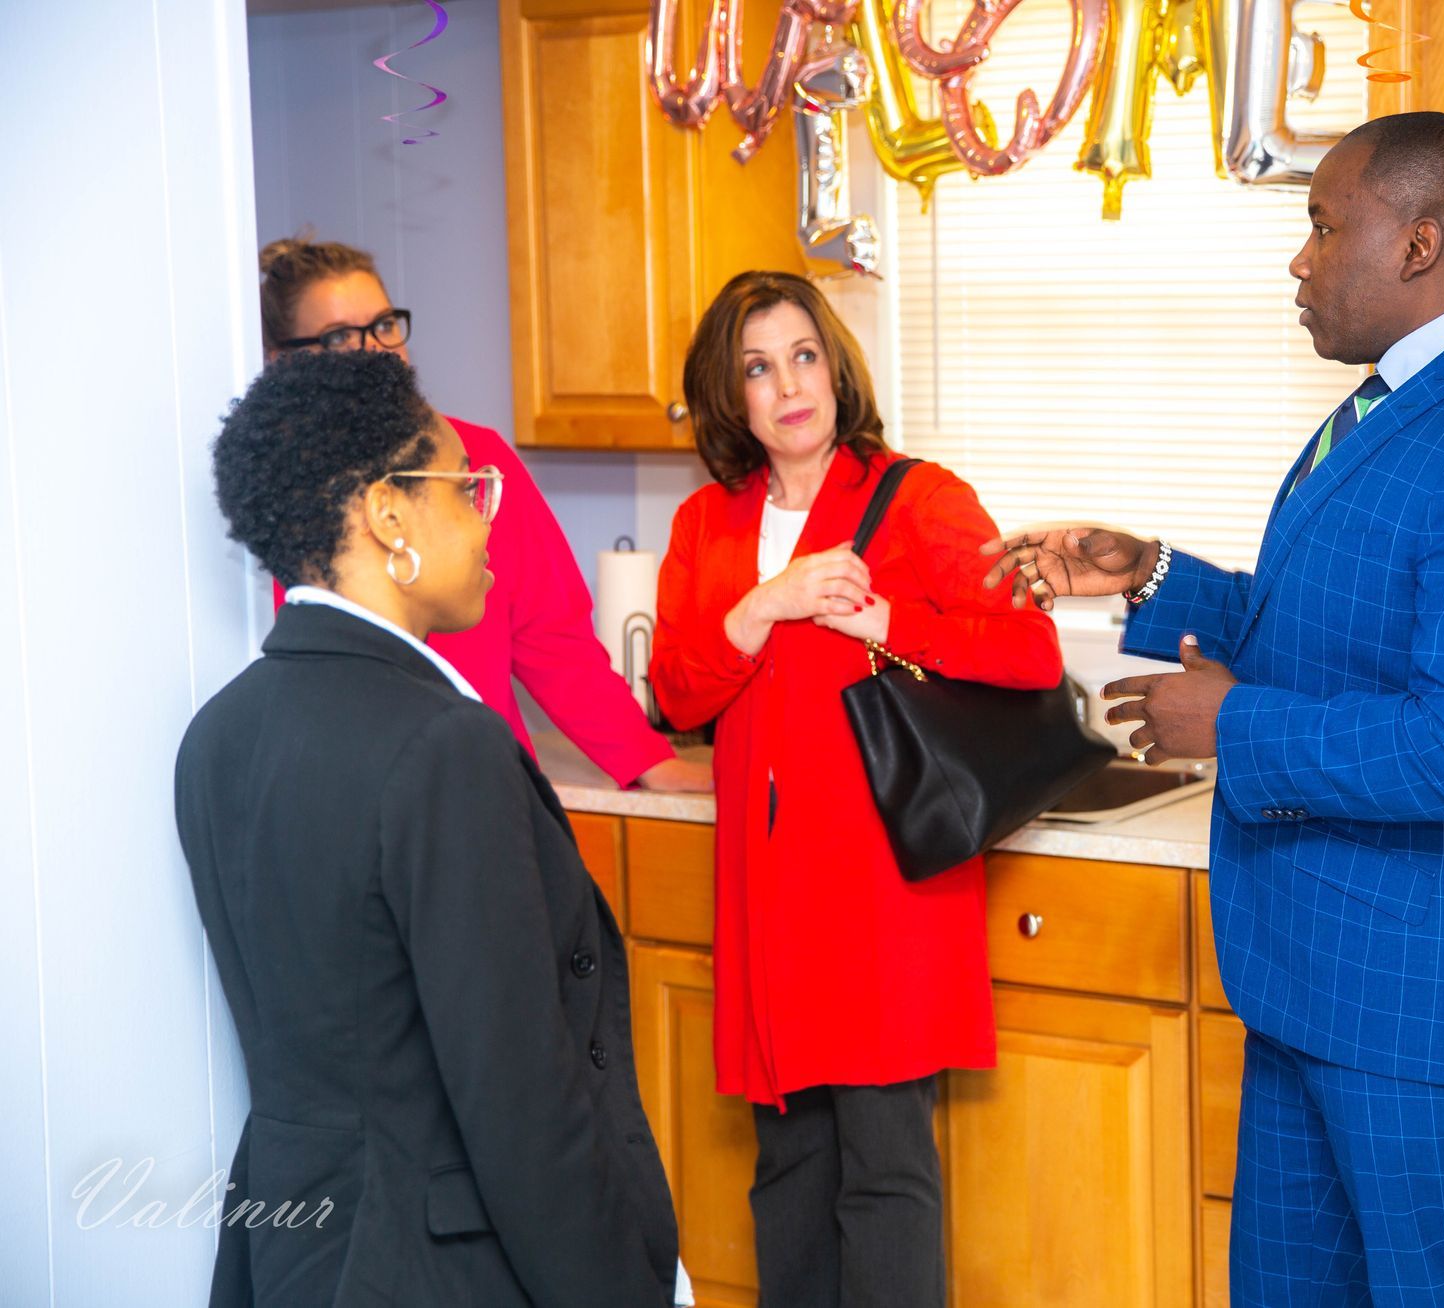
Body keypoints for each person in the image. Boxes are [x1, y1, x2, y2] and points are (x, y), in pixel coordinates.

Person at [983, 112, 1444, 1305]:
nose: (1300, 257)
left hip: (1429, 1014)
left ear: (1420, 243)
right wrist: (1156, 578)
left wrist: (1229, 725)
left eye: (1325, 226)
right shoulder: (1388, 404)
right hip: (1311, 988)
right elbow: (1338, 634)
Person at [175, 350, 682, 1306]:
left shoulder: (219, 734)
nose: (492, 515)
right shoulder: (446, 746)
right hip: (439, 1265)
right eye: (467, 487)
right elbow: (521, 1106)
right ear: (389, 515)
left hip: (291, 1258)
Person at [649, 271, 1064, 1308]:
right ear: (728, 396)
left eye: (802, 355)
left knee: (885, 1171)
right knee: (789, 1166)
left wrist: (893, 625)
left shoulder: (919, 498)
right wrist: (768, 602)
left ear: (834, 365)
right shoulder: (708, 523)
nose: (787, 384)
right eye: (756, 368)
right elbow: (675, 692)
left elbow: (1032, 649)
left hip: (881, 889)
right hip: (765, 892)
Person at [258, 236, 708, 792]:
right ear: (282, 360)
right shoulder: (274, 494)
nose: (373, 349)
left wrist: (647, 759)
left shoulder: (477, 461)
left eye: (384, 325)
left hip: (487, 786)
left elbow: (554, 640)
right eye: (340, 337)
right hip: (348, 793)